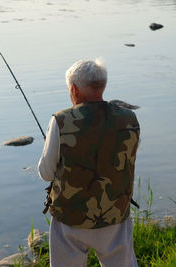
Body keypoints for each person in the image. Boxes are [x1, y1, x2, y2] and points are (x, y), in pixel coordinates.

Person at [38, 59, 140, 267]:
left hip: (70, 217)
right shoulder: (129, 118)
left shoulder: (60, 121)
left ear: (74, 89)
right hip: (115, 212)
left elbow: (46, 173)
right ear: (102, 86)